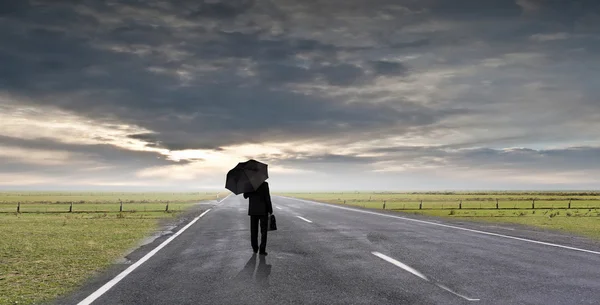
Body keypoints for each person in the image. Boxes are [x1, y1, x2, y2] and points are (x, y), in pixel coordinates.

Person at [243, 181, 273, 255]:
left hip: (253, 211)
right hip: (263, 211)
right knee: (264, 231)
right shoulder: (265, 184)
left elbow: (245, 196)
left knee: (253, 231)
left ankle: (255, 248)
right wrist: (270, 210)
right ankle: (262, 250)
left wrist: (247, 188)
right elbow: (267, 197)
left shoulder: (249, 184)